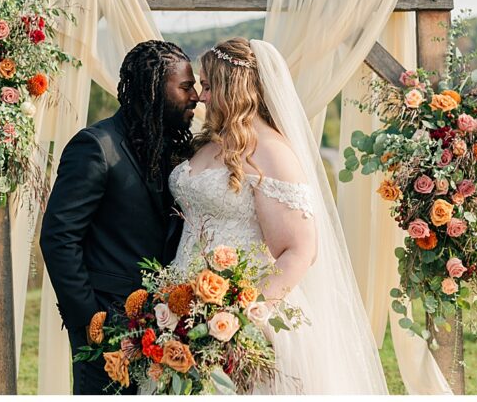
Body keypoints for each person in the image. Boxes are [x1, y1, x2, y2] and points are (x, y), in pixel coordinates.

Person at [166, 37, 388, 393]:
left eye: (209, 86)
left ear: (232, 87)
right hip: (186, 307)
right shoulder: (212, 142)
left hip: (245, 316)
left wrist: (241, 321)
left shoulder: (271, 152)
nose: (201, 97)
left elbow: (301, 250)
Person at [39, 40, 199, 394]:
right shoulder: (95, 147)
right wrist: (92, 323)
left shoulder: (176, 149)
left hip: (169, 325)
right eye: (186, 86)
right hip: (108, 326)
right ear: (155, 88)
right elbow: (58, 239)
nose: (196, 96)